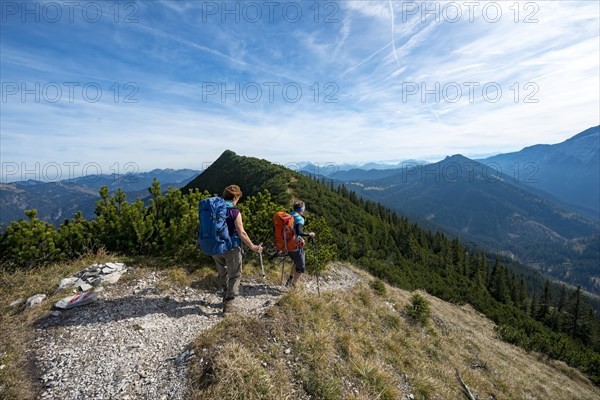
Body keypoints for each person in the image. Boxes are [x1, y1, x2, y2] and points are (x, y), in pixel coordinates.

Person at [213, 185, 263, 313]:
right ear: (235, 197)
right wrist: (253, 246)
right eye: (238, 198)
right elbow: (241, 233)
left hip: (216, 246)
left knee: (222, 272)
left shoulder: (214, 209)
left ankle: (225, 294)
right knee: (235, 274)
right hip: (231, 247)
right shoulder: (234, 211)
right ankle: (229, 303)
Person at [286, 200, 315, 287]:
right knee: (301, 268)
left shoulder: (289, 216)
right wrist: (310, 234)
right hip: (295, 246)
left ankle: (290, 280)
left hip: (286, 244)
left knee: (295, 261)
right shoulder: (299, 218)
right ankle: (293, 286)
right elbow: (299, 232)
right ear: (301, 209)